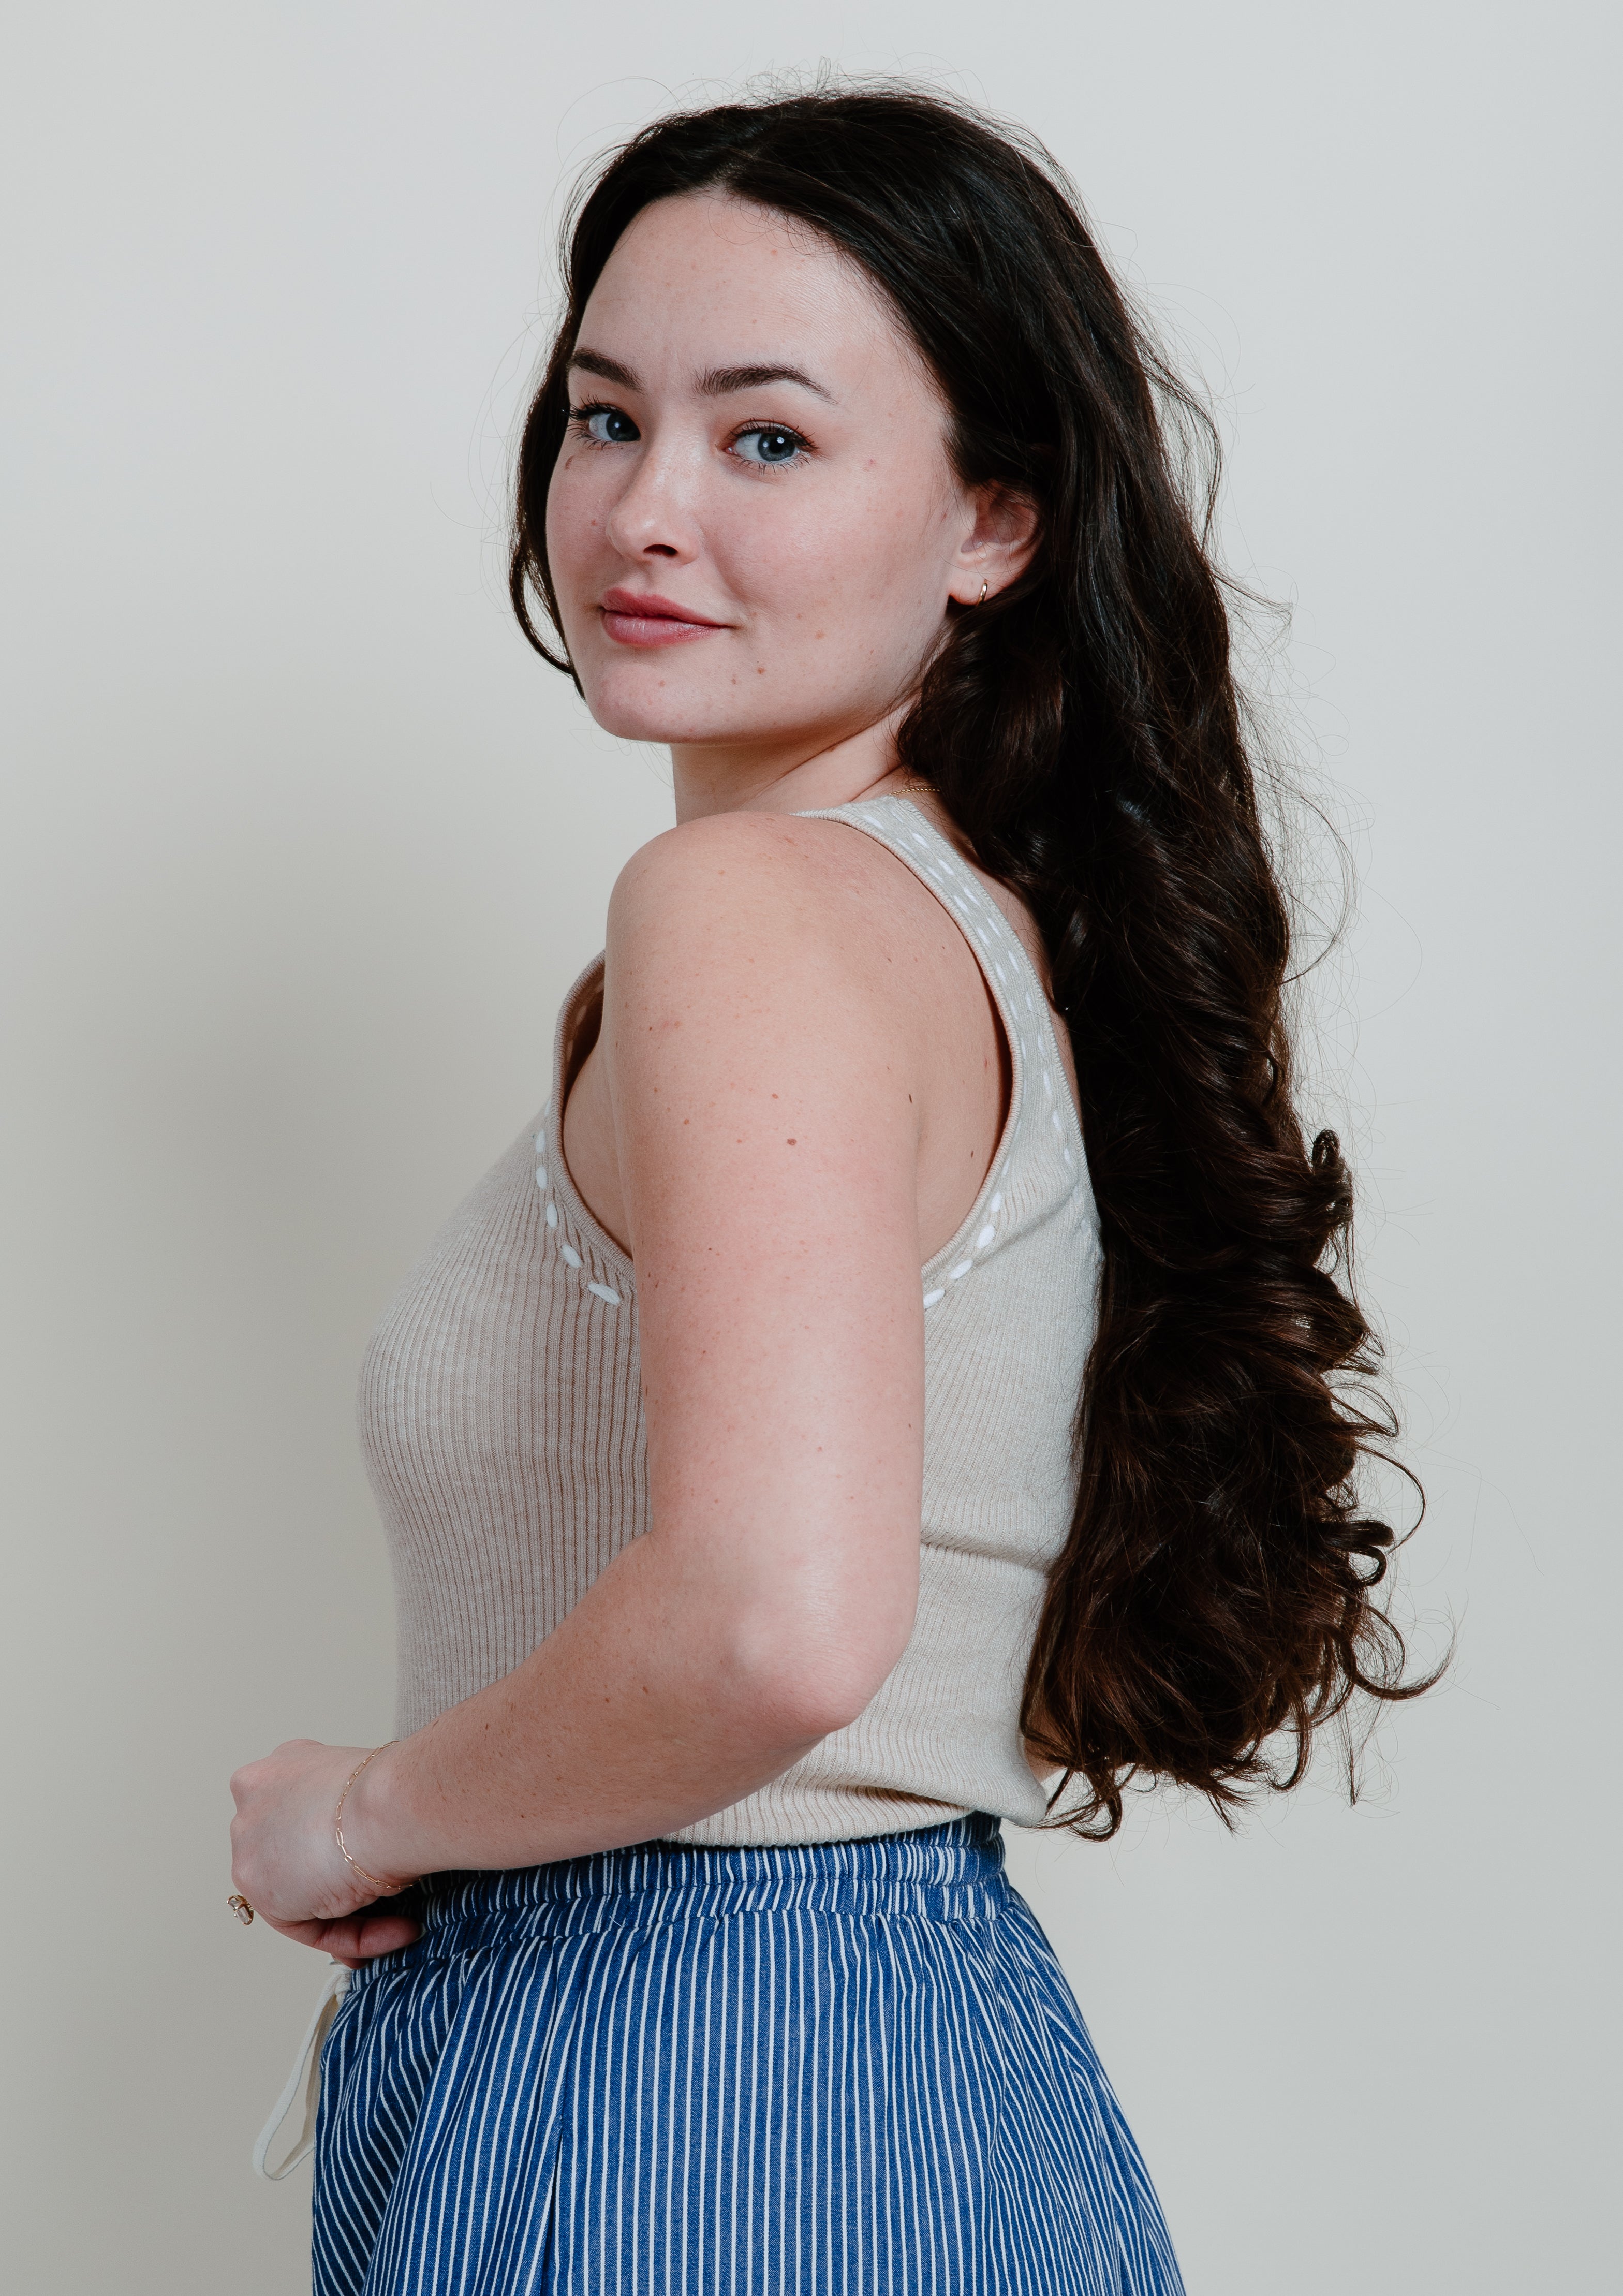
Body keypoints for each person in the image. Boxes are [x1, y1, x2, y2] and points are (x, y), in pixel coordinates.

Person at [229, 85, 1426, 2296]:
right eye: (606, 417)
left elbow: (773, 1618)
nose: (643, 511)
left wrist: (359, 1810)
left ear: (992, 520)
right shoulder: (957, 922)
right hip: (893, 2046)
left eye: (765, 438)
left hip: (680, 2056)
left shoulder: (759, 911)